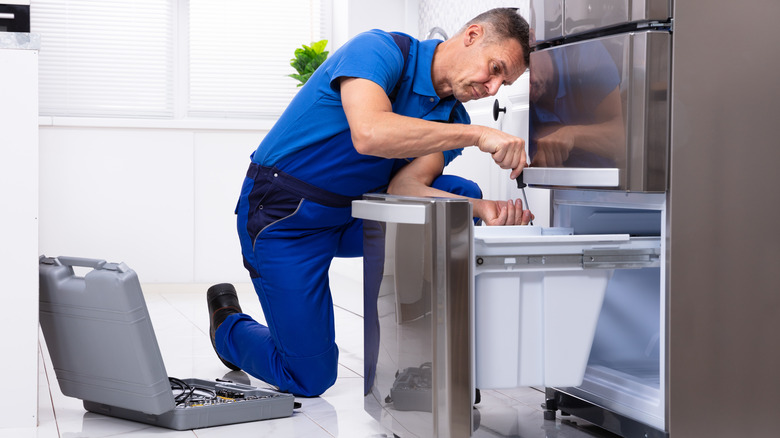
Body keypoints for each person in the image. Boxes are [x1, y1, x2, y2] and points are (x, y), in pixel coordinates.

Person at [207, 8, 533, 397]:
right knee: (309, 377)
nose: (494, 87)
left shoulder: (450, 117)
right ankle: (228, 327)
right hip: (284, 218)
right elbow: (370, 132)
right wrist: (477, 134)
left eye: (505, 82)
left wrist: (485, 210)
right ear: (472, 35)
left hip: (353, 215)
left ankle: (428, 361)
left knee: (460, 200)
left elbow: (405, 187)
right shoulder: (381, 50)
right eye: (494, 68)